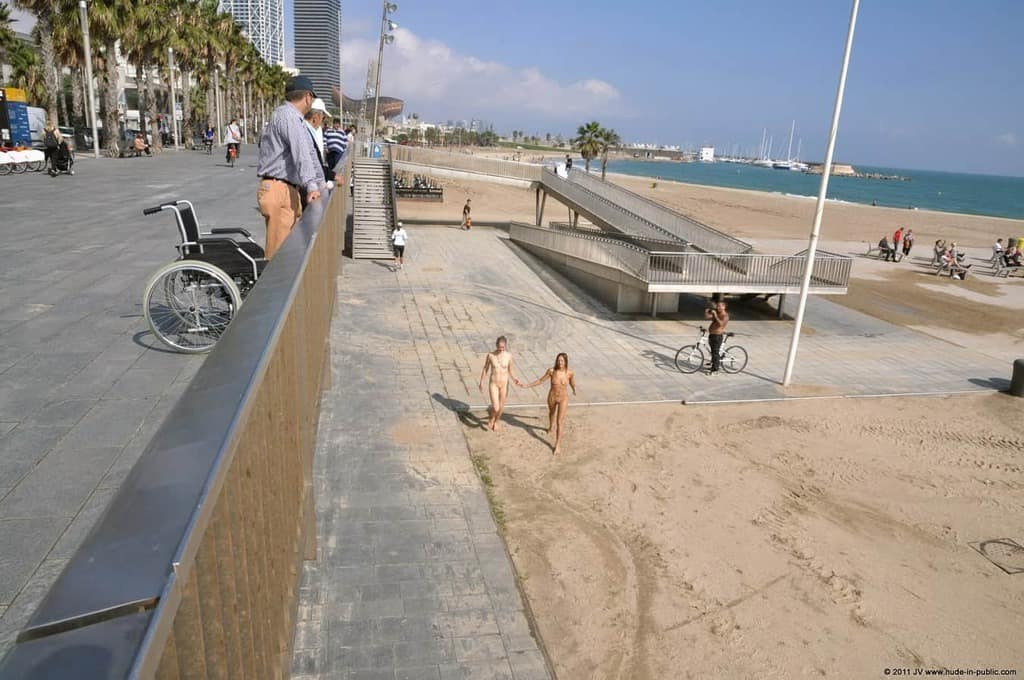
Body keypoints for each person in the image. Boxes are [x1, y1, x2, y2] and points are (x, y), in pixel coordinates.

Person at [255, 75, 327, 260]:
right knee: (279, 255)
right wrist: (313, 186)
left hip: (287, 188)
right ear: (308, 97)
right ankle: (271, 289)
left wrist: (320, 183)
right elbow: (301, 153)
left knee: (290, 250)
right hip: (279, 188)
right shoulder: (288, 116)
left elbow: (310, 154)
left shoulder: (294, 118)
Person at [525, 353, 577, 455]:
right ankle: (550, 426)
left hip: (563, 398)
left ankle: (557, 445)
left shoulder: (569, 373)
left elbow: (572, 382)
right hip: (552, 397)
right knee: (551, 413)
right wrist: (528, 385)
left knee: (560, 421)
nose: (560, 362)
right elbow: (540, 380)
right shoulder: (551, 371)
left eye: (562, 360)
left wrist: (574, 389)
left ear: (566, 362)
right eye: (558, 360)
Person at [478, 336, 522, 432]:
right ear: (496, 345)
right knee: (496, 407)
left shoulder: (509, 356)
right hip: (493, 383)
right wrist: (481, 381)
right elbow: (485, 368)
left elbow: (511, 370)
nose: (501, 349)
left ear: (505, 346)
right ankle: (491, 417)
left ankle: (496, 421)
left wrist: (515, 379)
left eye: (503, 347)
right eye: (499, 347)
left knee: (501, 407)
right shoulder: (490, 355)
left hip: (504, 384)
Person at [303, 98, 334, 186]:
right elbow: (312, 164)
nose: (322, 122)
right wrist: (332, 176)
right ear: (315, 117)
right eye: (323, 118)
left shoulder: (307, 130)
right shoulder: (305, 133)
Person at [704, 300, 729, 374]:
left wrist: (715, 315)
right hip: (712, 335)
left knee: (715, 353)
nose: (717, 307)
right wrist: (706, 312)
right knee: (713, 352)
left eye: (719, 306)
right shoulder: (717, 313)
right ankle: (713, 364)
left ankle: (715, 370)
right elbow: (707, 317)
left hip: (717, 336)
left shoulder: (725, 315)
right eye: (717, 306)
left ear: (724, 307)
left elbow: (720, 324)